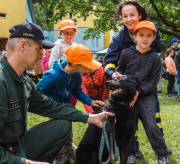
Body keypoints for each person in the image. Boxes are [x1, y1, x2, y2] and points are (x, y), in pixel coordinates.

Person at [0, 22, 114, 164]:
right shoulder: (2, 81)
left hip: (17, 145)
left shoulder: (23, 80)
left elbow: (50, 106)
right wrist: (25, 162)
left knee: (63, 124)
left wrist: (90, 117)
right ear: (22, 46)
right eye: (39, 49)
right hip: (6, 154)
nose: (42, 56)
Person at [103, 0, 171, 159]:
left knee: (153, 119)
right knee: (128, 120)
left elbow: (155, 54)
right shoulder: (119, 38)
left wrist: (145, 84)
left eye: (132, 15)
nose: (128, 19)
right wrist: (113, 73)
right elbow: (109, 61)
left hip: (147, 86)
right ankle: (133, 150)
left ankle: (161, 147)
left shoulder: (152, 29)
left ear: (139, 15)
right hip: (128, 87)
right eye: (124, 16)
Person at [37, 44, 105, 164]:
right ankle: (62, 160)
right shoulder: (53, 75)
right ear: (75, 65)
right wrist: (47, 103)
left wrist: (90, 101)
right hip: (54, 109)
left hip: (66, 109)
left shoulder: (76, 75)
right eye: (86, 66)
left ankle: (68, 154)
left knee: (68, 132)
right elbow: (37, 91)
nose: (87, 70)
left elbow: (78, 92)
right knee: (59, 136)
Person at [117, 21, 169, 164]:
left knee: (152, 126)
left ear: (153, 37)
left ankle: (162, 154)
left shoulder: (155, 58)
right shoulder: (126, 53)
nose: (145, 38)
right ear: (135, 36)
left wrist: (139, 92)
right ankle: (130, 153)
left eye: (149, 35)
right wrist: (119, 79)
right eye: (141, 35)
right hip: (127, 97)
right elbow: (120, 71)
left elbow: (153, 82)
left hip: (145, 97)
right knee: (130, 126)